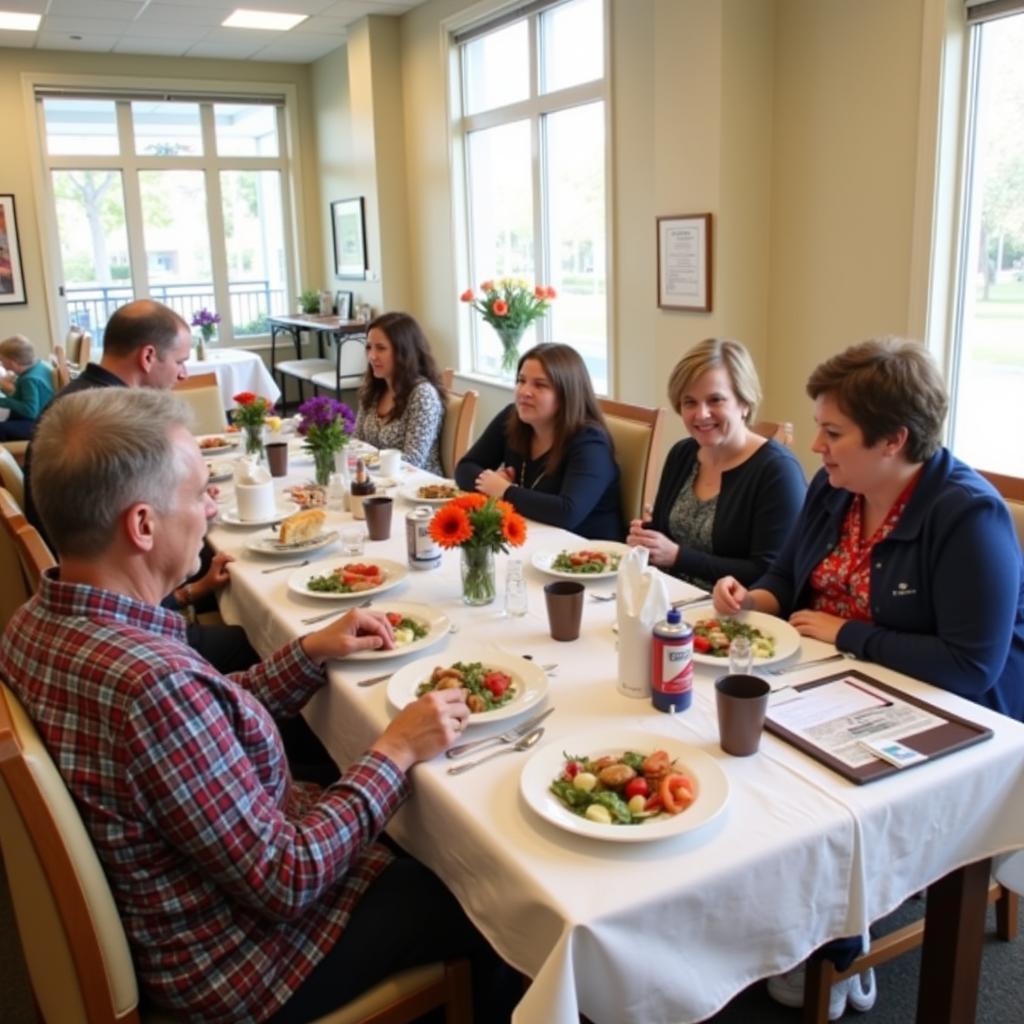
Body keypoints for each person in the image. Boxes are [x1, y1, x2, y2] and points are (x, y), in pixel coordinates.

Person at [0, 388, 519, 1024]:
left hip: (184, 898)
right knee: (490, 899)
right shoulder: (153, 688)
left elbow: (198, 726)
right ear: (141, 525)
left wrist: (309, 652)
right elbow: (289, 876)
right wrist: (396, 750)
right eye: (198, 495)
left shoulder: (34, 621)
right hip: (241, 963)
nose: (211, 503)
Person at [712, 337, 1024, 1018]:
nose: (816, 447)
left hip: (958, 710)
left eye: (833, 433)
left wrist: (850, 633)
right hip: (841, 679)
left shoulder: (967, 515)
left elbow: (972, 667)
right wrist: (754, 599)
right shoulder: (835, 487)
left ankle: (836, 939)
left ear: (893, 441)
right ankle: (797, 919)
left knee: (803, 785)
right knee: (738, 748)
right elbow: (788, 576)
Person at [627, 338, 805, 588]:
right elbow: (669, 536)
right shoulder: (682, 454)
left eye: (715, 400)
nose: (701, 414)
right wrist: (649, 535)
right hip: (671, 596)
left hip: (738, 613)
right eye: (690, 402)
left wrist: (678, 556)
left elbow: (770, 572)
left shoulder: (777, 471)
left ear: (744, 403)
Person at [455, 343, 623, 539]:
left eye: (540, 385)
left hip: (588, 554)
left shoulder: (591, 443)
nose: (524, 392)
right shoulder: (512, 417)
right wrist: (491, 482)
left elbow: (567, 512)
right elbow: (465, 468)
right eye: (521, 380)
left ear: (567, 394)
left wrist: (505, 491)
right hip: (534, 539)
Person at [353, 312, 445, 473]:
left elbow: (413, 460)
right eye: (369, 347)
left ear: (404, 351)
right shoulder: (373, 390)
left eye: (381, 348)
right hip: (375, 479)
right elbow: (357, 442)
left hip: (416, 486)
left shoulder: (422, 395)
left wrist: (367, 465)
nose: (372, 356)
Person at [0, 334, 56, 440]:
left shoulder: (29, 380)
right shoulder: (40, 365)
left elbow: (30, 410)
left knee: (1, 428)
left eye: (2, 360)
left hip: (39, 424)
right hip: (45, 418)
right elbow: (23, 397)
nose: (1, 364)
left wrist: (4, 401)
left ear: (12, 363)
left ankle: (8, 455)